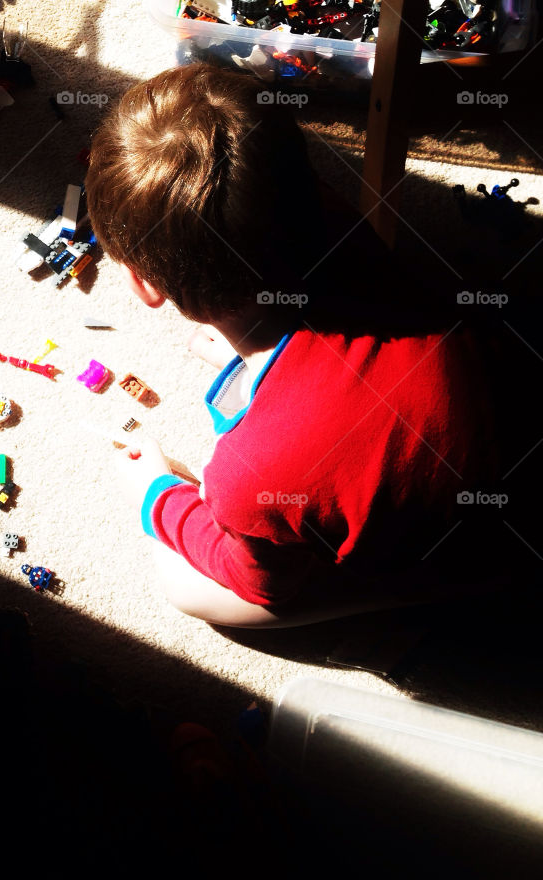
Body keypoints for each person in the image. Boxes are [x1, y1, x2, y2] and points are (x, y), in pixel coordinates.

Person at [84, 62, 511, 629]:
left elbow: (262, 581)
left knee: (186, 587)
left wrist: (158, 495)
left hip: (485, 547)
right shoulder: (327, 211)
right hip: (504, 419)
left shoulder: (251, 475)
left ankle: (407, 593)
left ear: (143, 284)